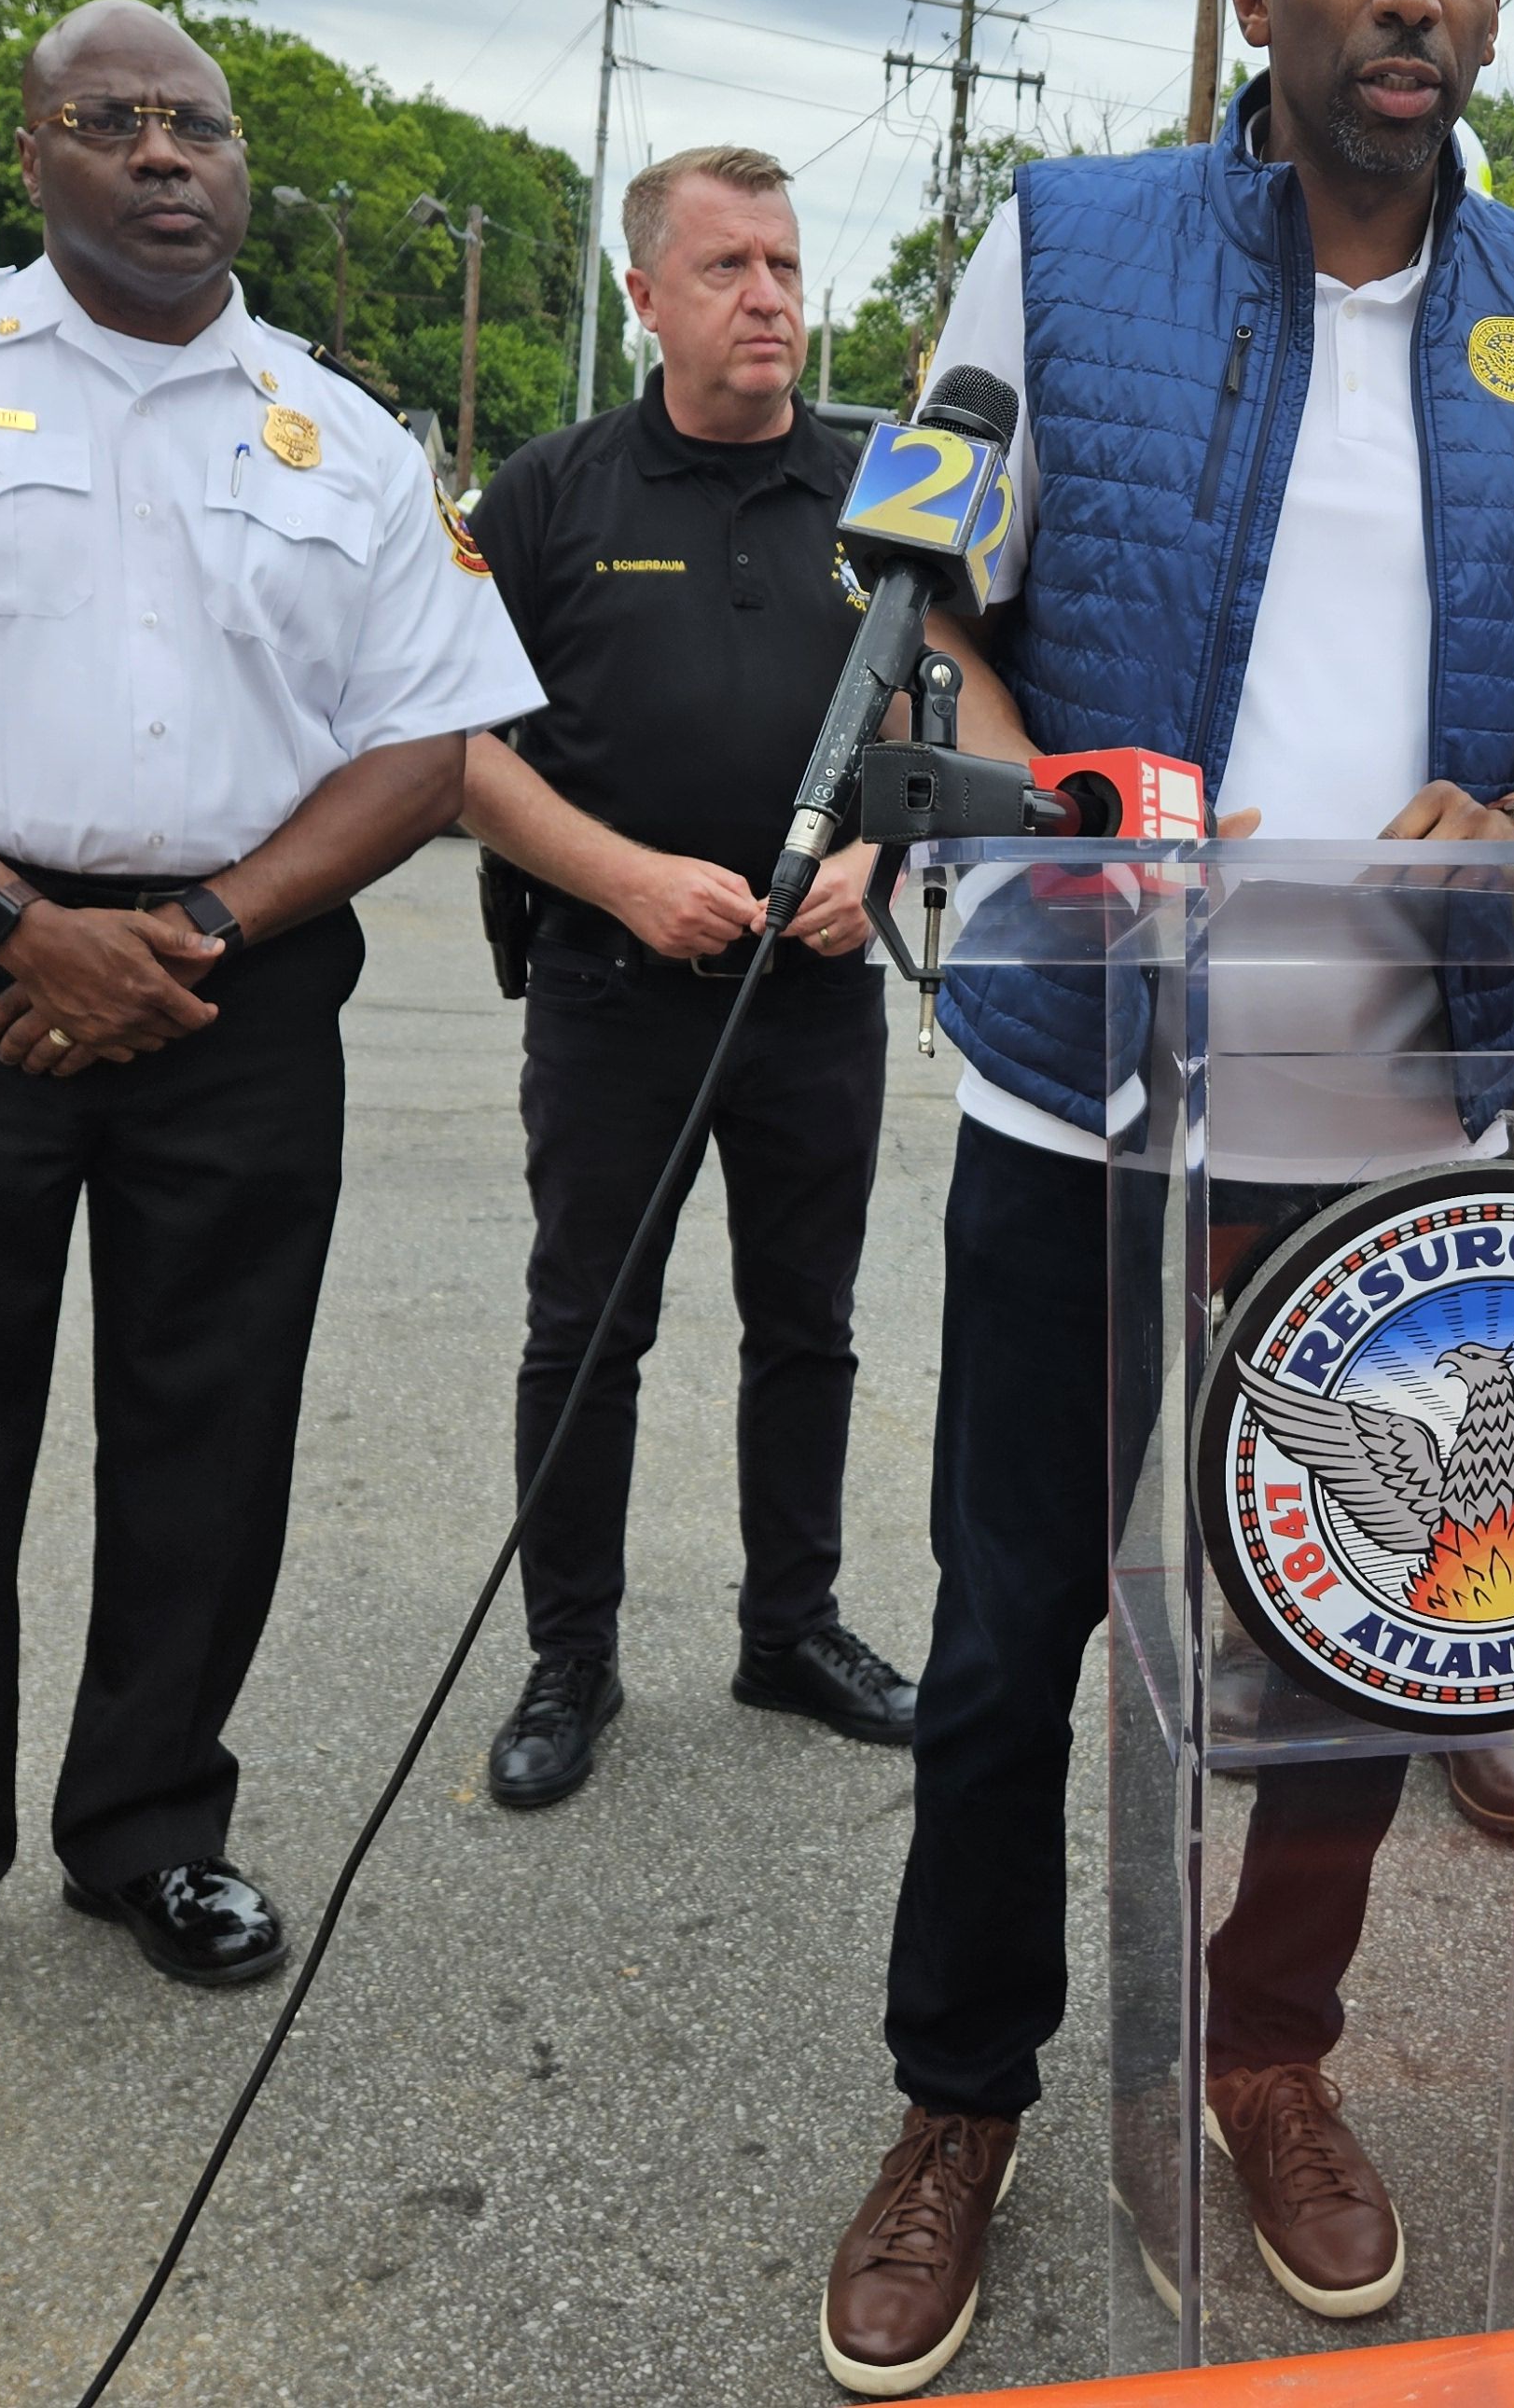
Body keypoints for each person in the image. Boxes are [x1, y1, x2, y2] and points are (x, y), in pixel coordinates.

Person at [815, 0, 1514, 2396]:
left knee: (1375, 1633)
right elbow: (921, 588)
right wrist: (1055, 801)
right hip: (1088, 1080)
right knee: (1009, 1628)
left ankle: (1273, 2052)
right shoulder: (1063, 245)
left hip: (1401, 1112)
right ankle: (962, 2094)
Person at [0, 0, 548, 2093]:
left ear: (242, 170)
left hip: (243, 981)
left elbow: (426, 742)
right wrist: (18, 925)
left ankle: (150, 1830)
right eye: (114, 121)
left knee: (210, 1426)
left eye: (200, 127)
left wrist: (199, 929)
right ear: (35, 155)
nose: (167, 156)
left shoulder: (342, 432)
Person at [459, 146, 919, 1807]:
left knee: (809, 1327)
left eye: (787, 267)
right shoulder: (550, 496)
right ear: (644, 297)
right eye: (728, 269)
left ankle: (788, 1631)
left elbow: (928, 722)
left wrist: (878, 863)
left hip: (811, 999)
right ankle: (570, 1654)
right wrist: (626, 880)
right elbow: (452, 751)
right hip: (611, 990)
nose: (771, 300)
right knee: (589, 1331)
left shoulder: (886, 497)